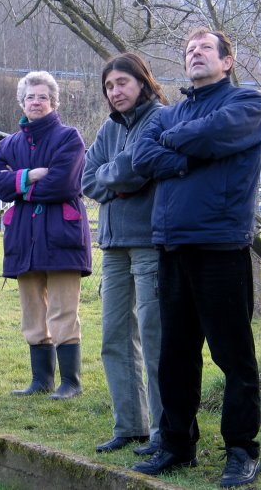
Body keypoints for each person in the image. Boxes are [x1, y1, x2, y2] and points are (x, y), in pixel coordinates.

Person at [130, 28, 261, 488]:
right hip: (172, 245)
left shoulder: (247, 104)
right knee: (176, 356)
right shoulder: (169, 112)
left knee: (234, 357)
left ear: (228, 61)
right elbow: (139, 156)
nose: (196, 54)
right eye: (189, 50)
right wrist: (187, 155)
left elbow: (216, 135)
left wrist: (175, 142)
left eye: (206, 48)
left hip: (221, 245)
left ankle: (241, 449)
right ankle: (177, 445)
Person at [0, 71, 91, 400]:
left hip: (61, 236)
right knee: (33, 312)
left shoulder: (68, 138)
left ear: (53, 101)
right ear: (22, 101)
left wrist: (19, 187)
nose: (36, 102)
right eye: (30, 97)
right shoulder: (9, 143)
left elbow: (64, 183)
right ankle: (41, 381)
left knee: (62, 311)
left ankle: (70, 383)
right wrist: (30, 176)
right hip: (24, 238)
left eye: (42, 97)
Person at [83, 53, 166, 455]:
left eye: (122, 83)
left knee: (154, 337)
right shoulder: (108, 128)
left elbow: (138, 169)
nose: (115, 92)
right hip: (113, 245)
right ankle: (130, 426)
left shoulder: (161, 118)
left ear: (142, 82)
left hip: (151, 241)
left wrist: (117, 176)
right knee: (115, 336)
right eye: (109, 86)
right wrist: (117, 179)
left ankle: (164, 431)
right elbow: (87, 179)